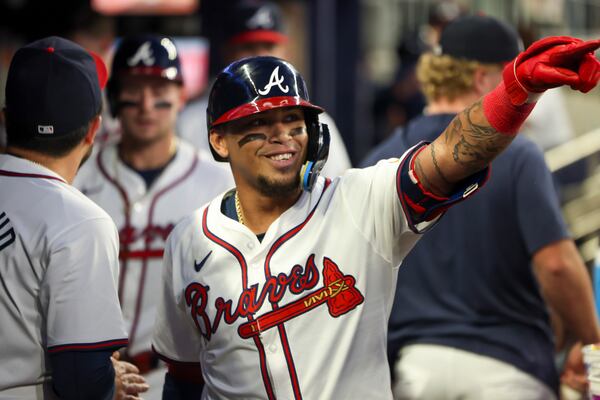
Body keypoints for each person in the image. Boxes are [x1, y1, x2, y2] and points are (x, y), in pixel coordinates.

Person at [152, 35, 600, 398]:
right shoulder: (190, 240)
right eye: (260, 124)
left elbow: (448, 157)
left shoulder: (357, 200)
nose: (282, 135)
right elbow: (187, 377)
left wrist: (516, 92)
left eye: (294, 121)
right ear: (220, 141)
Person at [361, 16, 600, 400]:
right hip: (507, 371)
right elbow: (556, 265)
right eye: (512, 78)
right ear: (481, 80)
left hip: (412, 372)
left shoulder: (379, 160)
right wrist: (592, 344)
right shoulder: (520, 155)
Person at [74, 34, 234, 399]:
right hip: (89, 377)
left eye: (159, 88)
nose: (147, 104)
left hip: (177, 379)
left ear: (180, 95)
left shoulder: (218, 182)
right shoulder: (79, 177)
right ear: (113, 98)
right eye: (134, 89)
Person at [0, 36, 148, 399]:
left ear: (5, 120)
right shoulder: (80, 222)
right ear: (94, 130)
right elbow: (82, 381)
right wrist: (106, 382)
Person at [177, 0, 352, 178]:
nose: (260, 56)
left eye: (268, 46)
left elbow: (337, 195)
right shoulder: (189, 121)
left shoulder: (317, 121)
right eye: (248, 47)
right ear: (227, 52)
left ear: (285, 52)